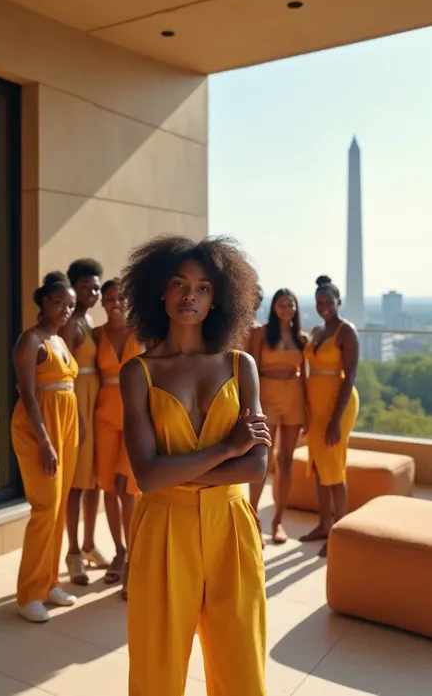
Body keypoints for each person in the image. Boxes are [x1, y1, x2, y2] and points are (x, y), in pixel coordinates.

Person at [120, 235, 270, 696]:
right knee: (157, 672)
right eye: (179, 283)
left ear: (218, 298)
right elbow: (145, 475)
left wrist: (176, 471)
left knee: (242, 670)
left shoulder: (240, 364)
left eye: (204, 287)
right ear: (159, 292)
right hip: (164, 532)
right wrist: (227, 449)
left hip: (232, 529)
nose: (190, 295)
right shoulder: (138, 372)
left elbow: (257, 466)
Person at [11, 272, 80, 622]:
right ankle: (29, 594)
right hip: (40, 428)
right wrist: (44, 441)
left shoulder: (59, 339)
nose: (66, 309)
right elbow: (27, 394)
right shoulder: (30, 341)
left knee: (59, 505)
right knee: (45, 507)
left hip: (66, 425)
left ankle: (50, 581)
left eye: (70, 304)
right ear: (43, 302)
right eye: (59, 303)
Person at [300, 276, 359, 557]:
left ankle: (339, 532)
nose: (323, 306)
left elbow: (350, 378)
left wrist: (336, 419)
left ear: (339, 302)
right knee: (318, 465)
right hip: (315, 404)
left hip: (338, 404)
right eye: (319, 302)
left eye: (328, 302)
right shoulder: (316, 330)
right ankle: (323, 525)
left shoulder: (347, 332)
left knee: (334, 468)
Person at [60, 259, 108, 585]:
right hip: (78, 406)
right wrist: (77, 416)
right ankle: (73, 551)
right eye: (87, 286)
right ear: (73, 287)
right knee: (77, 485)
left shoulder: (89, 320)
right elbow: (63, 373)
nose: (94, 291)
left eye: (96, 287)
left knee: (95, 482)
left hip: (96, 406)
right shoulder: (70, 326)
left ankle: (90, 544)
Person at [94, 278, 143, 597]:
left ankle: (135, 561)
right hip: (104, 415)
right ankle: (119, 552)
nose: (116, 303)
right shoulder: (95, 335)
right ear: (102, 303)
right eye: (109, 298)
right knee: (109, 487)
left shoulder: (143, 333)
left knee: (129, 488)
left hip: (135, 413)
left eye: (121, 298)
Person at [250, 288, 308, 544]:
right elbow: (249, 366)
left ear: (296, 308)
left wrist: (307, 408)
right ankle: (253, 520)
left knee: (286, 461)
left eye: (290, 304)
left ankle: (277, 521)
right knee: (263, 460)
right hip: (268, 396)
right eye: (281, 303)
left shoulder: (302, 338)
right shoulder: (261, 333)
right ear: (274, 308)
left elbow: (304, 375)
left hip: (293, 397)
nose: (286, 307)